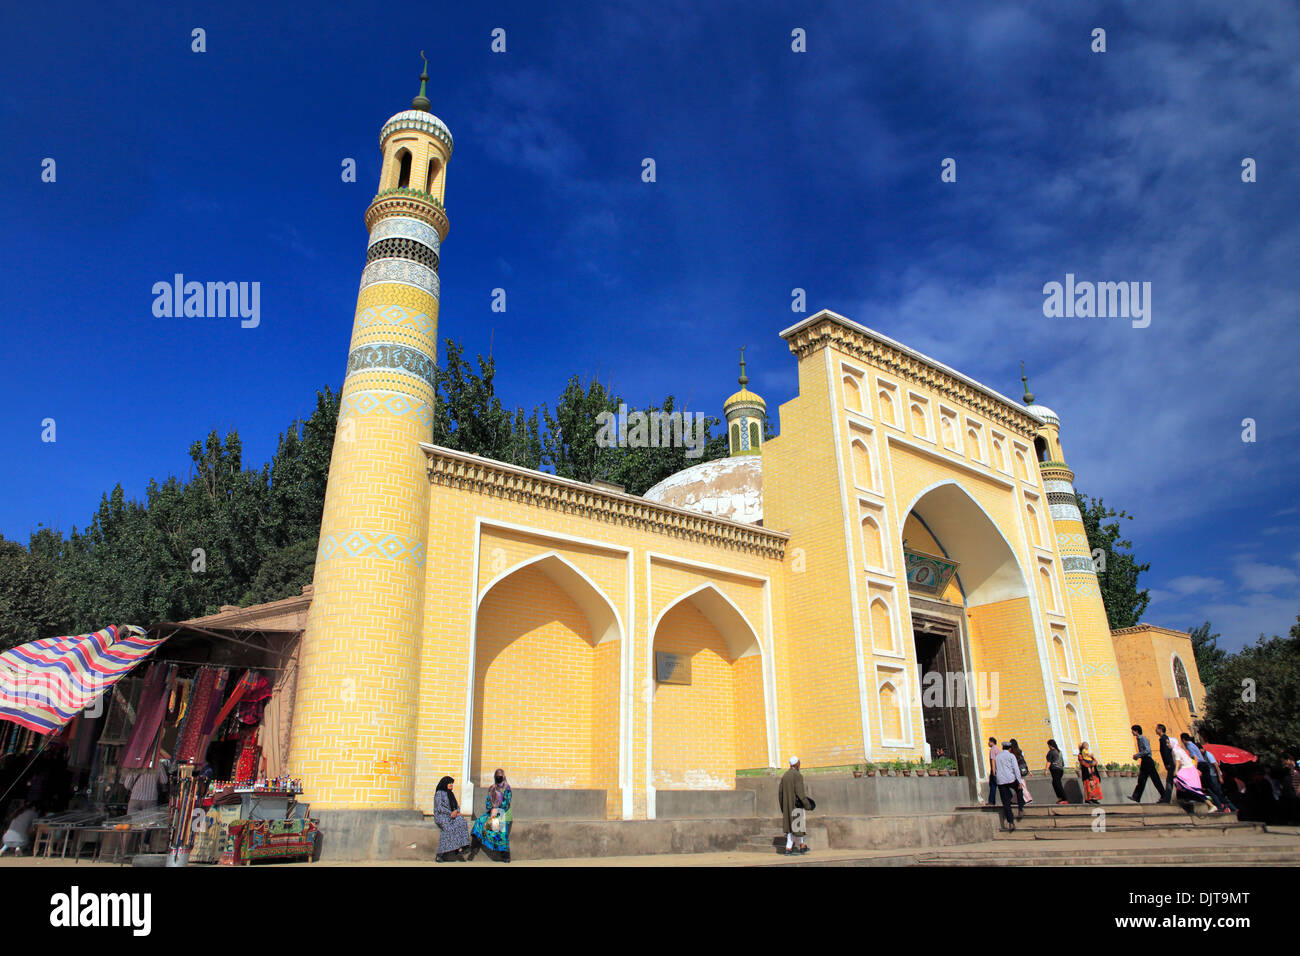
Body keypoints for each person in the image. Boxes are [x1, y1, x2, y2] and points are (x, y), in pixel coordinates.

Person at [468, 768, 513, 862]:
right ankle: (474, 848)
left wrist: (497, 808)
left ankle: (505, 855)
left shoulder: (507, 788)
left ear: (503, 777)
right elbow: (488, 802)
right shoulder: (492, 788)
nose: (499, 778)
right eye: (497, 776)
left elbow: (507, 803)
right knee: (479, 821)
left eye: (500, 776)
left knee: (500, 828)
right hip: (492, 812)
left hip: (504, 812)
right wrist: (492, 808)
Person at [1169, 739, 1217, 811]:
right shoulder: (1179, 749)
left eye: (1168, 743)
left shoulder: (1176, 751)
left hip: (1187, 770)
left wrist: (1175, 771)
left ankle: (1210, 805)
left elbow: (1178, 762)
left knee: (1186, 785)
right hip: (1189, 770)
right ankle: (1183, 799)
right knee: (1184, 786)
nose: (1167, 744)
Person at [432, 775, 471, 862]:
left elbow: (456, 806)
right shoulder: (439, 793)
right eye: (450, 783)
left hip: (452, 815)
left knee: (462, 821)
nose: (451, 785)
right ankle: (440, 854)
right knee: (449, 828)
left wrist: (457, 812)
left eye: (452, 783)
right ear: (445, 783)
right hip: (442, 816)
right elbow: (439, 808)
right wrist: (451, 813)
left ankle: (463, 847)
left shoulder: (451, 793)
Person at [778, 756, 812, 855]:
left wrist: (783, 807)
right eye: (799, 762)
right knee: (796, 825)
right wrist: (807, 805)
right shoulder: (797, 776)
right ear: (796, 764)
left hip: (787, 806)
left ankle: (800, 846)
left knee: (793, 826)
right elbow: (800, 793)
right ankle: (788, 848)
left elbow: (780, 793)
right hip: (796, 805)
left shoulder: (785, 776)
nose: (800, 764)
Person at [1182, 734, 1224, 811]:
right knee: (1208, 788)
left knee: (1207, 788)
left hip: (1201, 766)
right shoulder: (1193, 744)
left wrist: (1195, 769)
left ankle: (1219, 805)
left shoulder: (1189, 745)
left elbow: (1195, 758)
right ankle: (1220, 804)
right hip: (1204, 766)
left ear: (1183, 740)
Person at [1129, 724, 1166, 803]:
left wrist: (1137, 755)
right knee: (1141, 779)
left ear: (1136, 731)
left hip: (1148, 761)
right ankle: (1136, 797)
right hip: (1144, 761)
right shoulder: (1138, 739)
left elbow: (1147, 750)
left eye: (1133, 730)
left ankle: (1164, 796)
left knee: (1155, 779)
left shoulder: (1143, 739)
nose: (1132, 732)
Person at [993, 742, 1023, 830]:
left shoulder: (998, 756)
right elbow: (1016, 769)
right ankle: (1020, 808)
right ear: (1010, 748)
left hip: (1001, 780)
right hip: (1010, 778)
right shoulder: (1011, 756)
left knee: (1005, 802)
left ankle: (1010, 822)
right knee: (1019, 790)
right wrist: (1019, 781)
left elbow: (996, 767)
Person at [1156, 725, 1177, 803]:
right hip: (1171, 763)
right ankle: (1167, 798)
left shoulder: (1164, 739)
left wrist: (1167, 763)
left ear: (1161, 730)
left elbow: (1166, 752)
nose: (1155, 730)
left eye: (1157, 729)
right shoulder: (1164, 738)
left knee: (1170, 781)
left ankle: (1167, 799)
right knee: (1170, 781)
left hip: (1170, 763)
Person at [1045, 739, 1068, 804]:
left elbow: (1049, 761)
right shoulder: (1059, 751)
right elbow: (1062, 763)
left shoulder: (1051, 752)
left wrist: (1046, 770)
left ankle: (1064, 798)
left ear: (1050, 745)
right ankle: (1060, 798)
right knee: (1055, 783)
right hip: (1060, 770)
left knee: (1057, 784)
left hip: (1055, 769)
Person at [986, 738, 1001, 806]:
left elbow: (993, 760)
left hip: (994, 770)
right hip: (999, 769)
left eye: (989, 742)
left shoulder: (992, 750)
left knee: (993, 785)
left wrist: (993, 771)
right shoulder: (998, 749)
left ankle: (991, 801)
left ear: (992, 742)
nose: (988, 743)